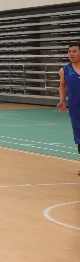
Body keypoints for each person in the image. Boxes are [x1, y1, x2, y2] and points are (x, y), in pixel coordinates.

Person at [58, 41, 80, 175]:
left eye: (74, 51)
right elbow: (62, 86)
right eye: (69, 52)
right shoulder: (64, 70)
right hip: (76, 110)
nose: (71, 54)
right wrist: (62, 101)